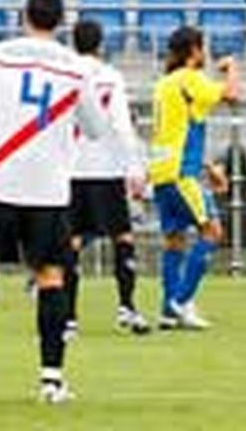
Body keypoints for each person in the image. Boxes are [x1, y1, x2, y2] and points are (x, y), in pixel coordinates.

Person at [0, 0, 111, 407]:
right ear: (59, 23)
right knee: (51, 276)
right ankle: (51, 379)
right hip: (47, 189)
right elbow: (95, 127)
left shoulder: (0, 55)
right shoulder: (76, 68)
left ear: (24, 17)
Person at [149, 22, 242, 331]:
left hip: (162, 172)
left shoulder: (164, 84)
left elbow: (177, 131)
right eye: (202, 47)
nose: (205, 54)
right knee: (212, 232)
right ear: (194, 51)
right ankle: (181, 299)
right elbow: (232, 94)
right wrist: (231, 68)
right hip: (180, 174)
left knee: (174, 240)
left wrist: (206, 166)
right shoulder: (190, 79)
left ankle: (167, 311)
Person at [65, 17, 150, 337]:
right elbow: (121, 125)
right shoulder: (111, 77)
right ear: (101, 44)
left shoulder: (65, 74)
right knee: (123, 238)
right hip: (107, 168)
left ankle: (69, 318)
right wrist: (135, 168)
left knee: (71, 242)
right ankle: (127, 307)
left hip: (72, 169)